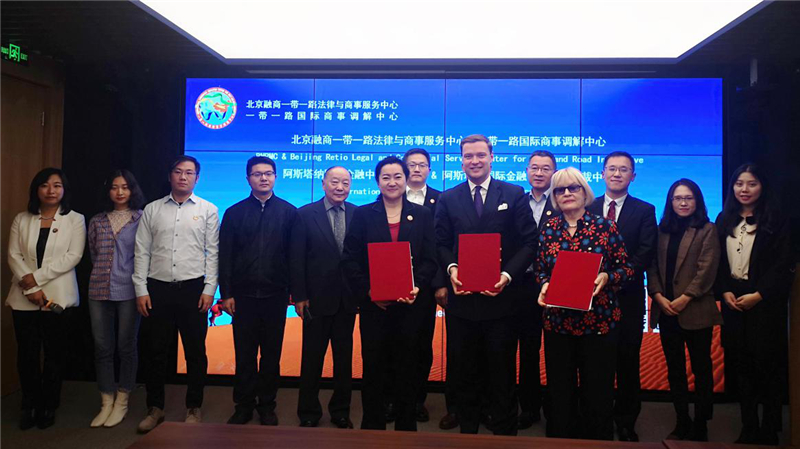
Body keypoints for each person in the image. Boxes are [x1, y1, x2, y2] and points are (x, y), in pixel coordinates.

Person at [434, 134, 538, 436]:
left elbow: (529, 242)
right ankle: (468, 432)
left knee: (501, 371)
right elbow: (440, 243)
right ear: (461, 161)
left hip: (502, 301)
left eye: (480, 155)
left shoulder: (514, 193)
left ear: (492, 157)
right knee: (465, 371)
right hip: (462, 303)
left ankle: (504, 431)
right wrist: (451, 268)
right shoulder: (448, 198)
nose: (475, 161)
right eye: (468, 156)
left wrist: (507, 275)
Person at [341, 156, 438, 431]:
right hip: (375, 308)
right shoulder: (363, 214)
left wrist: (417, 286)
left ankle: (406, 429)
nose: (392, 182)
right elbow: (350, 259)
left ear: (406, 180)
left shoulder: (422, 215)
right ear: (377, 181)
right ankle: (372, 428)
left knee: (408, 368)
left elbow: (430, 259)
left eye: (397, 176)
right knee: (374, 368)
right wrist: (369, 291)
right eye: (386, 177)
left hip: (411, 307)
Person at [536, 167, 633, 440]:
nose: (566, 193)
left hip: (598, 322)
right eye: (560, 190)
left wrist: (607, 276)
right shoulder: (548, 229)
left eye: (573, 188)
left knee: (597, 390)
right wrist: (543, 284)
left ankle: (597, 441)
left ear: (584, 191)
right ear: (554, 197)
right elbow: (540, 269)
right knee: (560, 389)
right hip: (558, 323)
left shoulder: (605, 227)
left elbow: (627, 269)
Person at [134, 156, 219, 433]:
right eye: (178, 172)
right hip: (157, 289)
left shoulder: (208, 210)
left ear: (197, 178)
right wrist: (141, 289)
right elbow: (141, 251)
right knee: (155, 351)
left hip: (193, 290)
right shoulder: (152, 209)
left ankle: (194, 406)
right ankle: (155, 407)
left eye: (189, 173)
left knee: (195, 352)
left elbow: (213, 252)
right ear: (170, 175)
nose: (183, 177)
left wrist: (210, 289)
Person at [715, 163, 793, 445]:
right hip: (733, 301)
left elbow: (783, 263)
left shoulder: (777, 219)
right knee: (742, 367)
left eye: (751, 184)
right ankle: (748, 426)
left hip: (764, 302)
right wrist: (724, 291)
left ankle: (770, 428)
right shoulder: (724, 218)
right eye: (739, 184)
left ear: (762, 187)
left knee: (768, 368)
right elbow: (718, 261)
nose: (744, 189)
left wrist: (760, 295)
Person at [219, 156, 299, 426]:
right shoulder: (234, 212)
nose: (263, 178)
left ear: (275, 177)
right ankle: (243, 406)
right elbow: (225, 257)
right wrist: (226, 293)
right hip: (242, 297)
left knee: (271, 356)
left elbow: (294, 257)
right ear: (248, 179)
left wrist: (294, 292)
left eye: (268, 173)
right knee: (244, 355)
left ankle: (267, 406)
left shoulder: (289, 212)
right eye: (257, 174)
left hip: (276, 296)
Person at [6, 168, 86, 430]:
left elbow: (73, 256)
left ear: (64, 190)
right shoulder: (22, 219)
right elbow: (13, 255)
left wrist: (35, 280)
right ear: (36, 190)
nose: (51, 190)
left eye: (57, 185)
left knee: (55, 354)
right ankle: (29, 403)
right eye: (45, 185)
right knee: (27, 354)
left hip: (58, 297)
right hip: (24, 298)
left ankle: (49, 404)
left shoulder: (75, 219)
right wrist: (30, 288)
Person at [587, 151, 657, 442]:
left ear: (633, 176)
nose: (617, 174)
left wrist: (614, 277)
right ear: (602, 173)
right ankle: (596, 418)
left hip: (628, 297)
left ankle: (627, 421)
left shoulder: (644, 210)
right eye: (612, 169)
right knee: (595, 362)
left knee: (627, 361)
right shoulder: (588, 207)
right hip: (591, 299)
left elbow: (645, 253)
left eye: (623, 170)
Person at [647, 179, 721, 442]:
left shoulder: (707, 229)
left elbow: (707, 269)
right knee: (674, 369)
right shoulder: (662, 230)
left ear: (697, 201)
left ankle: (701, 422)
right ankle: (681, 420)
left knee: (702, 369)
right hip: (666, 310)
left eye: (688, 198)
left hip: (695, 309)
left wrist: (686, 297)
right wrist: (658, 296)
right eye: (678, 198)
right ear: (670, 202)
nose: (683, 203)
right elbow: (652, 267)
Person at [293, 166, 357, 429]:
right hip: (315, 300)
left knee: (344, 360)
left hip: (347, 300)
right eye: (334, 182)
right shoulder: (305, 214)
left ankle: (340, 411)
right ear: (323, 183)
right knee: (312, 359)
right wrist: (299, 295)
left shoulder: (358, 213)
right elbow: (296, 258)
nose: (340, 187)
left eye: (345, 183)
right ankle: (308, 412)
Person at [87, 169, 145, 428]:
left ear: (132, 190)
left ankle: (122, 400)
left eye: (125, 187)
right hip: (98, 289)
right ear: (108, 191)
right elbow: (93, 253)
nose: (120, 192)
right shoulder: (97, 220)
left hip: (130, 291)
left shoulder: (141, 218)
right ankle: (106, 401)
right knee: (102, 347)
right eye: (114, 187)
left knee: (126, 346)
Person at [398, 148, 447, 425]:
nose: (416, 169)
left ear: (430, 169)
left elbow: (441, 246)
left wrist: (439, 284)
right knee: (393, 343)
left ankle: (417, 400)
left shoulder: (442, 200)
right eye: (412, 165)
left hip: (426, 286)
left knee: (420, 345)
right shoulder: (390, 196)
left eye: (422, 165)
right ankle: (393, 399)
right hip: (393, 285)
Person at [517, 150, 559, 430]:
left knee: (558, 351)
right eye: (534, 168)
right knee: (528, 349)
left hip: (557, 285)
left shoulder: (564, 200)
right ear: (527, 171)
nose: (539, 173)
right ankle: (529, 407)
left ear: (554, 172)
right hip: (523, 285)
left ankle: (557, 409)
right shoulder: (516, 201)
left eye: (545, 168)